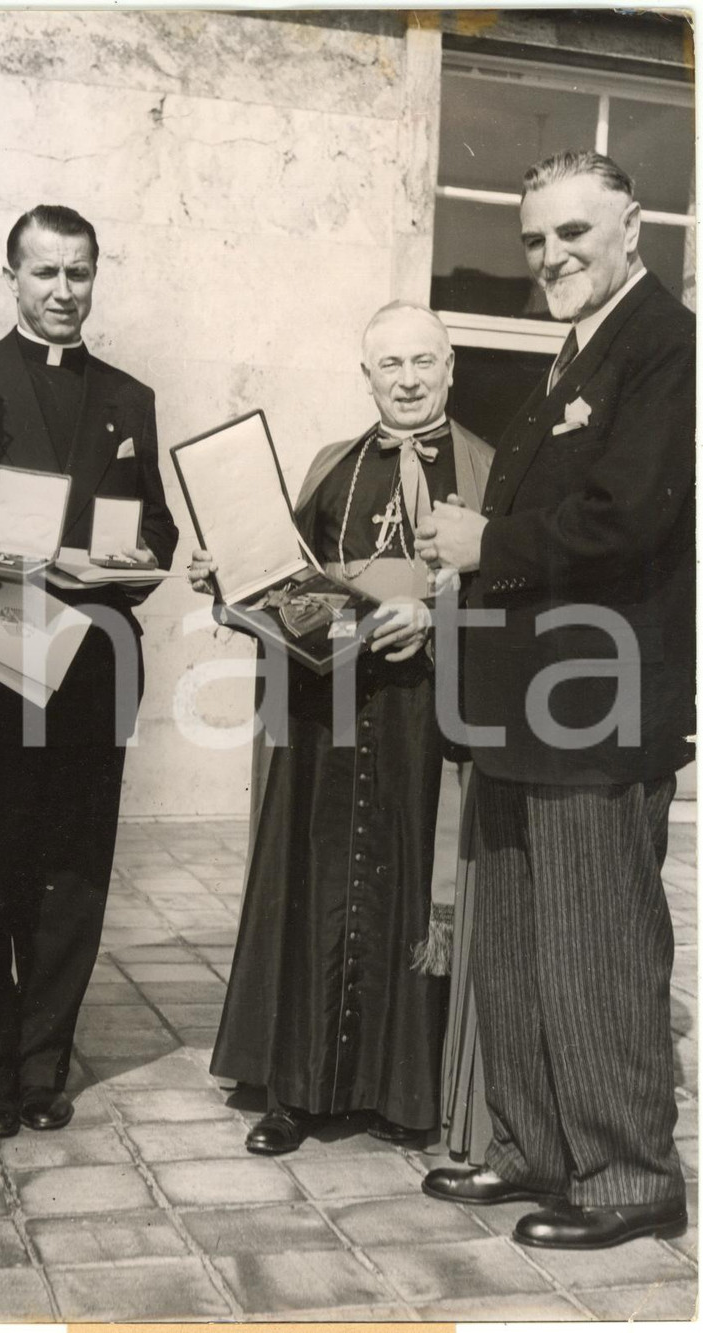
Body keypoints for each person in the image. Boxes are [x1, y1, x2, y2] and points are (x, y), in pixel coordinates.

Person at [416, 150, 693, 1249]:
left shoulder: (662, 345)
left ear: (632, 229)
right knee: (524, 947)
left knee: (598, 949)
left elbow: (632, 517)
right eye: (534, 240)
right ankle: (537, 1150)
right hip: (525, 704)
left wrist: (489, 541)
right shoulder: (578, 352)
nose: (551, 257)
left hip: (595, 703)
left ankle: (628, 1177)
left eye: (574, 233)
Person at [190, 303, 493, 1154]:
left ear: (449, 366)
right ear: (366, 376)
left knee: (405, 891)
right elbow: (281, 575)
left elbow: (512, 591)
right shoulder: (332, 467)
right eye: (388, 364)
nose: (406, 379)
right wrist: (226, 571)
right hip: (325, 707)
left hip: (422, 716)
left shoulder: (491, 468)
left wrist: (436, 620)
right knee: (314, 887)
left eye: (422, 362)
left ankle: (402, 1095)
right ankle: (300, 1090)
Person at [0, 204, 179, 1139]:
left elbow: (156, 528)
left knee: (72, 872)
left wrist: (135, 557)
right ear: (11, 278)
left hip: (90, 669)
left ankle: (40, 1066)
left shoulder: (127, 397)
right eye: (45, 274)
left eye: (79, 274)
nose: (64, 292)